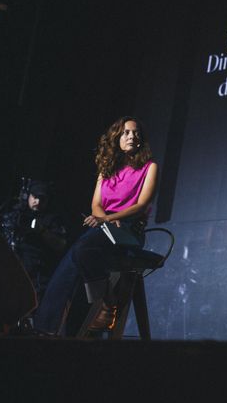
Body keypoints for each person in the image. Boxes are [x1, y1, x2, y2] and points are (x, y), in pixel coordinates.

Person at [33, 116, 158, 335]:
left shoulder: (149, 167)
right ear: (116, 138)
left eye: (136, 133)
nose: (132, 136)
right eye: (126, 132)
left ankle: (105, 306)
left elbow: (142, 205)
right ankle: (56, 328)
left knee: (80, 250)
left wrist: (110, 219)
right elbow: (96, 205)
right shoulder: (106, 171)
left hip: (129, 230)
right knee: (76, 257)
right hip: (105, 228)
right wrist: (105, 220)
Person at [0, 179, 68, 302]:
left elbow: (61, 245)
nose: (37, 202)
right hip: (11, 272)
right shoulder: (15, 215)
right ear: (27, 195)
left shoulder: (51, 220)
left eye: (42, 198)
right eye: (35, 197)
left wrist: (42, 231)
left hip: (35, 278)